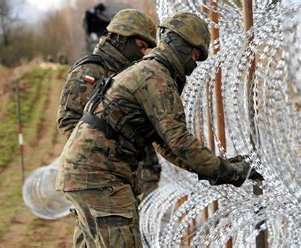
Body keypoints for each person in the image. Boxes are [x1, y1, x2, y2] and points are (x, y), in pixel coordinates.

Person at [56, 12, 262, 247]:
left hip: (91, 176)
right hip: (101, 178)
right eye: (194, 54)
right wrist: (227, 171)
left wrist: (219, 168)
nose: (193, 64)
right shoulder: (156, 78)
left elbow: (165, 145)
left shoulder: (150, 71)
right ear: (178, 44)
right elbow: (179, 141)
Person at [57, 9, 161, 200]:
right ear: (122, 39)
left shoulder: (126, 75)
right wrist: (103, 158)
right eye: (140, 46)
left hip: (121, 176)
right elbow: (69, 119)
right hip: (98, 179)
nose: (142, 53)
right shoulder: (92, 70)